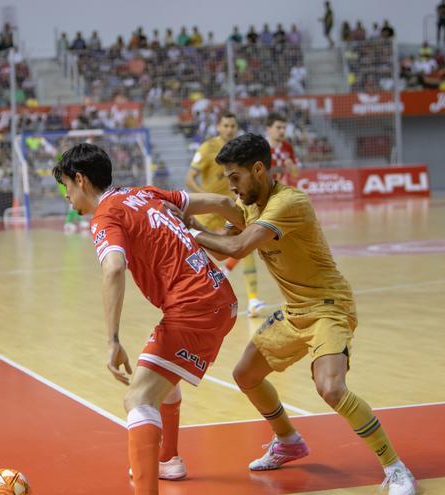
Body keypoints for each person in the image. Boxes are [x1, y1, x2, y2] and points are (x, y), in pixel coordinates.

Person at [178, 133, 417, 495]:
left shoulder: (289, 203)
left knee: (331, 389)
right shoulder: (251, 207)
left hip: (328, 307)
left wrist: (190, 230)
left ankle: (396, 468)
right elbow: (224, 231)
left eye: (235, 177)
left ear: (259, 169)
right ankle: (288, 441)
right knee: (245, 374)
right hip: (293, 312)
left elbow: (237, 247)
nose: (231, 185)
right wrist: (178, 217)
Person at [53, 143, 238, 495]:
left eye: (66, 187)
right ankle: (168, 459)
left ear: (80, 180)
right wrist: (255, 237)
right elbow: (224, 204)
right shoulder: (145, 192)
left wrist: (113, 341)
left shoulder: (105, 216)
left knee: (137, 399)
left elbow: (113, 268)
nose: (66, 196)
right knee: (159, 375)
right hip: (221, 298)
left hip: (193, 308)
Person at [186, 111, 265, 317]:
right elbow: (190, 178)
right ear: (218, 127)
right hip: (209, 211)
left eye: (233, 126)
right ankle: (198, 299)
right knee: (199, 255)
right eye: (226, 125)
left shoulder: (241, 151)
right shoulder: (207, 148)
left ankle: (254, 300)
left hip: (232, 209)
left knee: (247, 248)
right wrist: (206, 199)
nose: (229, 129)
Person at [265, 113, 300, 186]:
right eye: (278, 127)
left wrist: (292, 167)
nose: (282, 131)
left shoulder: (288, 147)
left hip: (283, 191)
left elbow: (296, 174)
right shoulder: (261, 147)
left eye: (284, 128)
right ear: (268, 129)